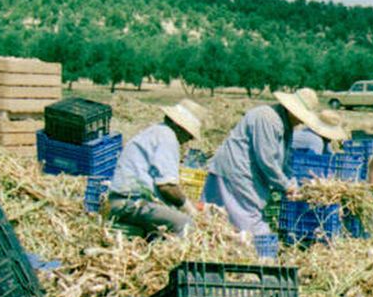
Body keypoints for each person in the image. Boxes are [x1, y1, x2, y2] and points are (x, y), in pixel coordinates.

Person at [204, 88, 341, 240]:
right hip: (236, 173)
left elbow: (285, 161)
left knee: (223, 221)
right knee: (247, 227)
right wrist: (286, 186)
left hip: (244, 174)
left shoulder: (286, 126)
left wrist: (293, 183)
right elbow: (267, 160)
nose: (301, 121)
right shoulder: (268, 118)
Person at [104, 101, 204, 237]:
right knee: (185, 224)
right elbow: (167, 187)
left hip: (122, 201)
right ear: (180, 127)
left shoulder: (156, 131)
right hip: (131, 203)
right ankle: (167, 255)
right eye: (189, 135)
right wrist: (188, 208)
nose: (188, 140)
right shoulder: (167, 138)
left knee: (165, 222)